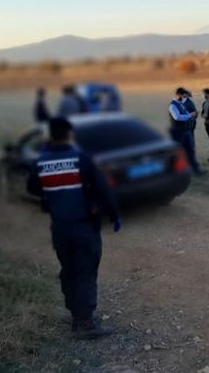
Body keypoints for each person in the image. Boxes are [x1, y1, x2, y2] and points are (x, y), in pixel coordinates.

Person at [26, 117, 121, 340]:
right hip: (84, 226)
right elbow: (102, 190)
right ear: (69, 135)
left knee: (68, 270)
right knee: (86, 270)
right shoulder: (81, 159)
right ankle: (84, 323)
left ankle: (75, 313)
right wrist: (114, 214)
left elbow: (32, 187)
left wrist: (54, 197)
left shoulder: (40, 162)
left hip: (60, 227)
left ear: (50, 135)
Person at [169, 87, 204, 175]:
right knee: (178, 152)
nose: (184, 97)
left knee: (190, 150)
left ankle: (195, 170)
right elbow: (177, 117)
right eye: (183, 96)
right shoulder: (172, 105)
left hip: (186, 131)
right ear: (178, 95)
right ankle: (175, 172)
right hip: (178, 132)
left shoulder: (181, 104)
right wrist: (190, 115)